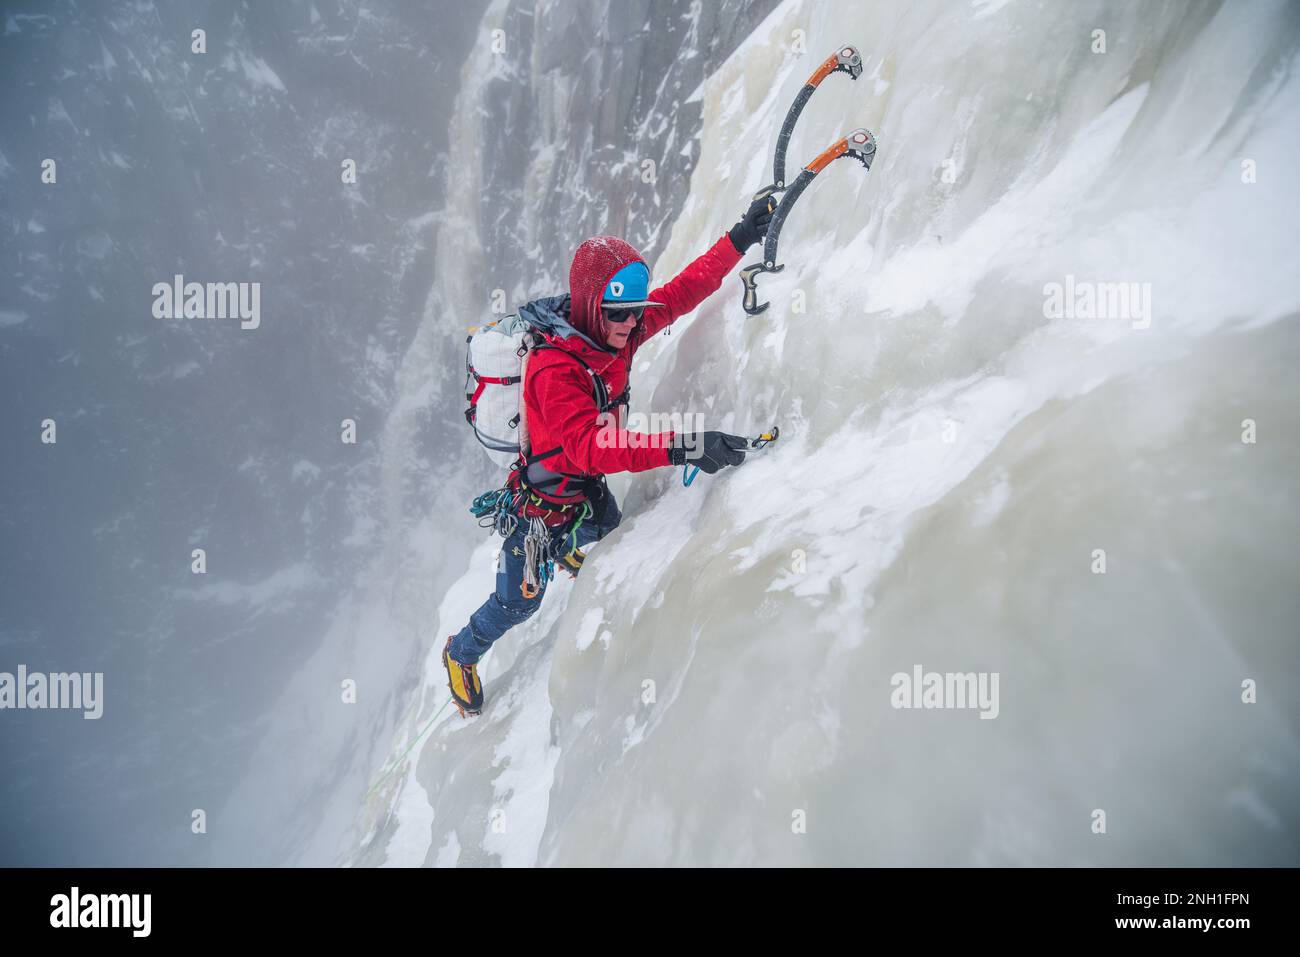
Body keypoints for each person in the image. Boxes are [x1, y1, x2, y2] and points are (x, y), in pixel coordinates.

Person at [443, 195, 774, 716]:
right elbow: (590, 450)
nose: (630, 324)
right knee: (520, 600)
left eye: (634, 314)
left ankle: (575, 546)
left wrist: (741, 236)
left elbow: (683, 291)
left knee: (613, 532)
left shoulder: (616, 333)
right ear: (593, 305)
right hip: (538, 510)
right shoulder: (556, 370)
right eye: (618, 313)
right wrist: (685, 446)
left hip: (579, 492)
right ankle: (460, 653)